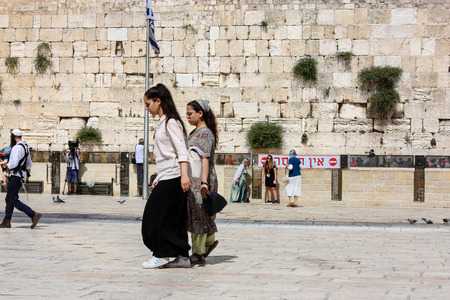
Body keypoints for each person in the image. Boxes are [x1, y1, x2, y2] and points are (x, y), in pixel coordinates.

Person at [141, 83, 191, 269]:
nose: (147, 108)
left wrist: (184, 176)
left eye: (148, 104)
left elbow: (181, 150)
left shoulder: (171, 122)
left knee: (153, 218)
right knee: (173, 219)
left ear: (158, 101)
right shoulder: (163, 122)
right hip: (166, 175)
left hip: (174, 176)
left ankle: (162, 254)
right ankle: (181, 257)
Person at [185, 99, 220, 264]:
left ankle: (198, 252)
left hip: (202, 179)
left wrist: (203, 183)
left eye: (190, 113)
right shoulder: (195, 132)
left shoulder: (205, 133)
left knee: (199, 213)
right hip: (196, 179)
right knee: (200, 213)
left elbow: (205, 158)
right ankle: (209, 241)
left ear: (200, 113)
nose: (187, 116)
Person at [0, 129, 42, 229]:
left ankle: (33, 214)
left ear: (13, 137)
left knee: (13, 199)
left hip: (15, 176)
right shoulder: (25, 147)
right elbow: (29, 164)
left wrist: (6, 164)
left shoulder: (16, 148)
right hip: (20, 176)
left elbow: (13, 163)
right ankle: (7, 220)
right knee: (9, 198)